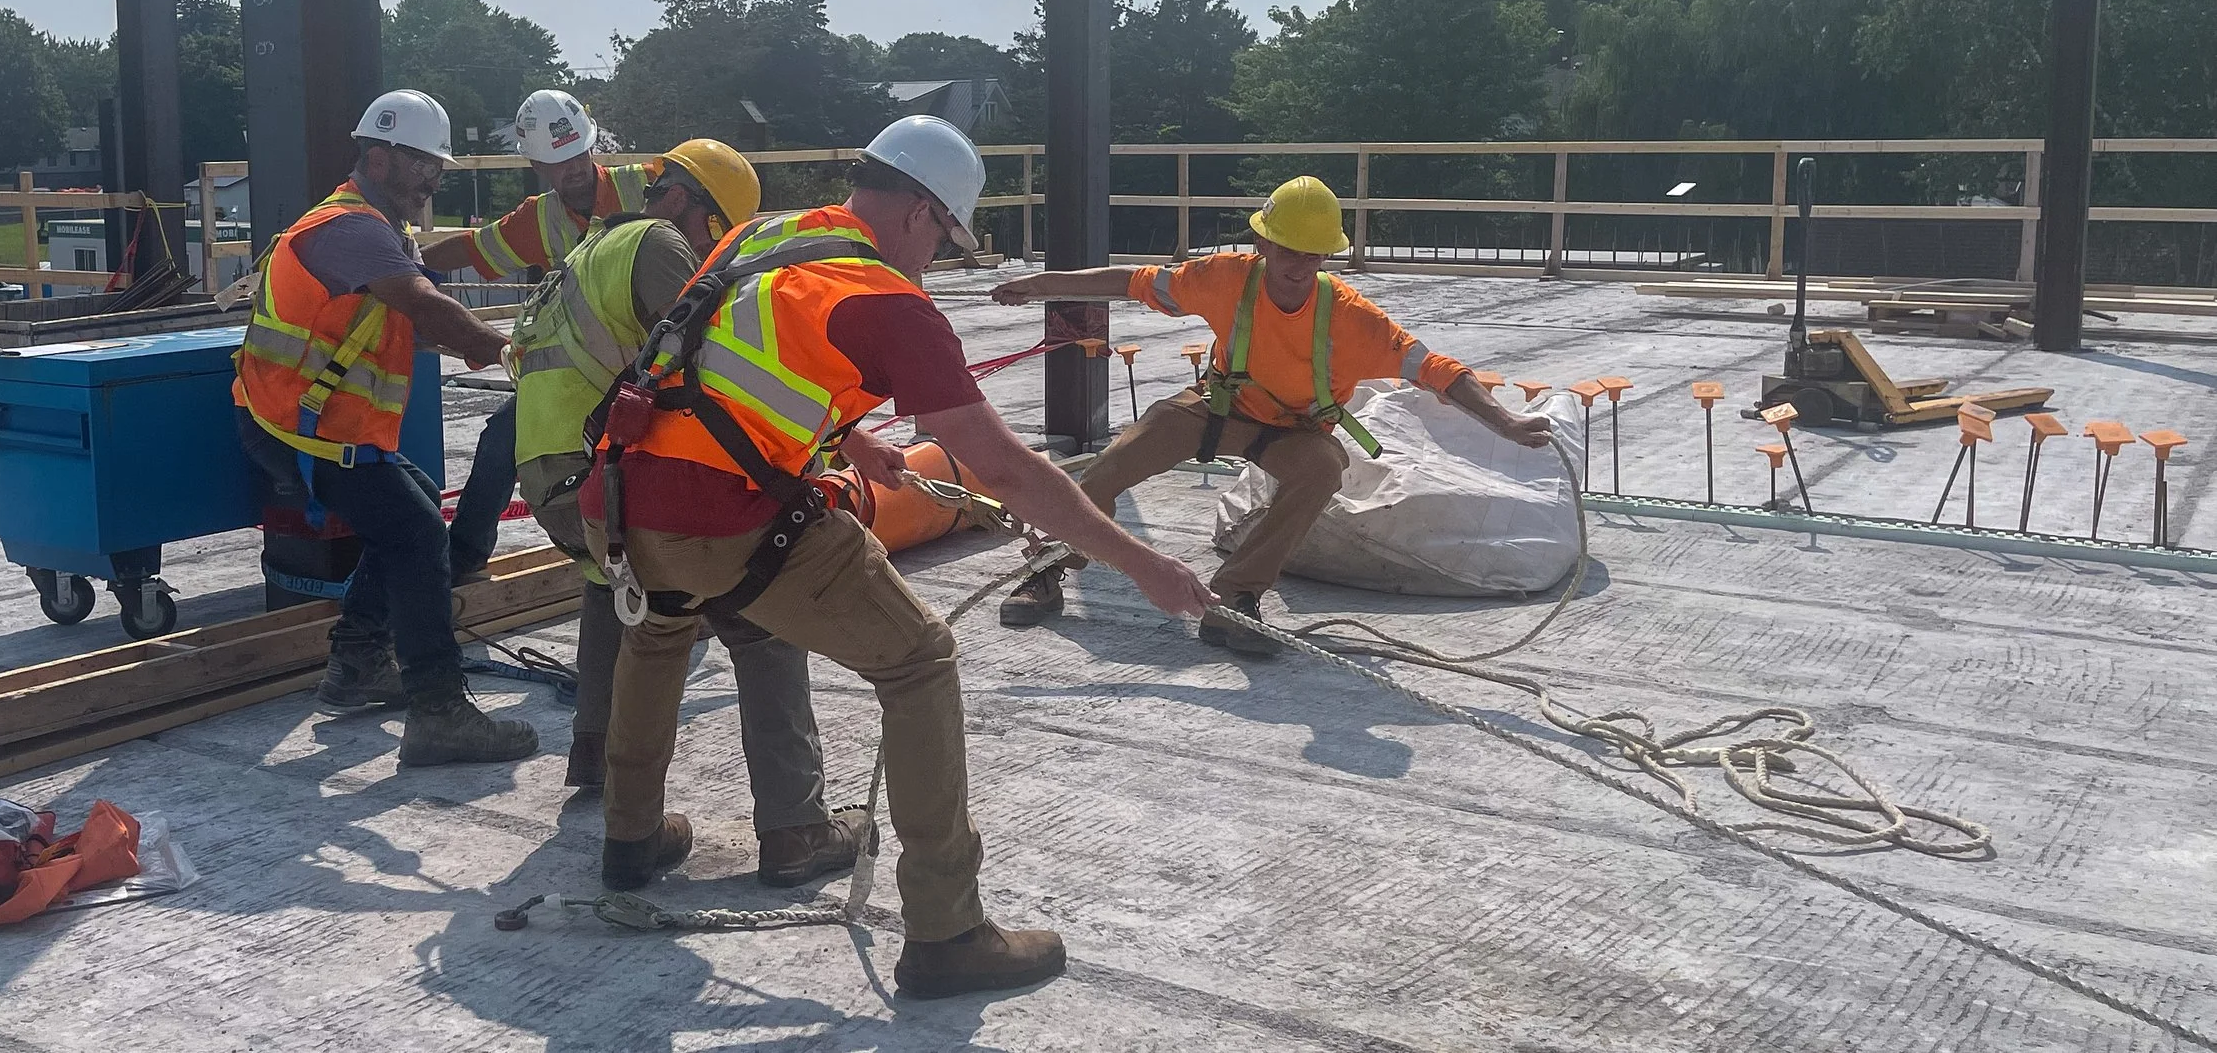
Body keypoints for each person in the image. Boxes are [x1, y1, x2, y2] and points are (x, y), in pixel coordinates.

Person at [585, 115, 1216, 1000]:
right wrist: (1139, 563)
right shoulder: (887, 299)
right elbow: (1004, 467)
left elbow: (717, 357)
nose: (938, 262)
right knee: (920, 662)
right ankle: (948, 931)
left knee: (658, 629)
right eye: (947, 241)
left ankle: (630, 837)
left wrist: (851, 441)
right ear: (922, 213)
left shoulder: (766, 234)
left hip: (623, 496)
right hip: (726, 518)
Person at [503, 137, 868, 887]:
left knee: (628, 594)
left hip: (554, 474)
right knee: (758, 612)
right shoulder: (663, 247)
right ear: (704, 217)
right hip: (602, 471)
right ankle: (798, 828)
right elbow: (712, 368)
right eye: (724, 239)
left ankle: (614, 793)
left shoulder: (597, 247)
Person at [991, 175, 1554, 655]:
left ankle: (1234, 599)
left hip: (1294, 431)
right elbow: (1130, 281)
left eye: (1314, 255)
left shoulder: (1353, 319)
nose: (1300, 265)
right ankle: (1048, 568)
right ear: (1263, 243)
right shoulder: (1224, 278)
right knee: (1111, 467)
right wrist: (1043, 285)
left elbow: (1437, 370)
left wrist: (1505, 423)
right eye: (1289, 251)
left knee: (1321, 469)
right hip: (1215, 408)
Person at [231, 89, 537, 767]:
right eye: (423, 162)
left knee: (415, 502)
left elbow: (409, 328)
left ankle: (357, 662)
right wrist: (511, 353)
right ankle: (439, 709)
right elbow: (425, 305)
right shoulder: (348, 228)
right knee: (419, 530)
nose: (435, 176)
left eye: (438, 164)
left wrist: (479, 340)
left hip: (317, 424)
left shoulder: (380, 230)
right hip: (302, 429)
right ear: (379, 155)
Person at [424, 89, 649, 581]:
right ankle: (463, 555)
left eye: (576, 154)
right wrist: (404, 265)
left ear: (591, 147)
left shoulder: (647, 188)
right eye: (555, 162)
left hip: (650, 366)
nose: (570, 169)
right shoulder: (539, 219)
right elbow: (470, 247)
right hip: (579, 375)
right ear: (537, 165)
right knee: (502, 438)